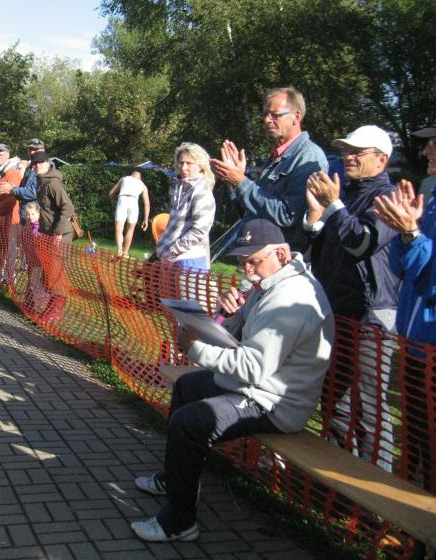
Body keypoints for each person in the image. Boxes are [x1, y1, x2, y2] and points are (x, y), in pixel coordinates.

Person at [131, 219, 334, 543]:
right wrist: (231, 314)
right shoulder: (271, 284)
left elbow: (253, 367)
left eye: (253, 261)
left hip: (277, 404)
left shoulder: (290, 299)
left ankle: (179, 523)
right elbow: (238, 341)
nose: (247, 270)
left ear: (281, 254)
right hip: (260, 388)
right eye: (242, 262)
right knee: (186, 387)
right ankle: (175, 481)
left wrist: (195, 349)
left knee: (188, 423)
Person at [304, 125, 398, 471]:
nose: (349, 157)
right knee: (335, 402)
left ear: (382, 160)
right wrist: (316, 219)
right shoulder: (346, 194)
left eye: (358, 151)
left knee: (368, 409)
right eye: (346, 150)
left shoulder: (388, 198)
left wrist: (333, 206)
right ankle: (337, 483)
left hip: (371, 317)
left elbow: (361, 243)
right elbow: (325, 252)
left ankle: (379, 488)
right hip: (337, 312)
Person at [374, 121, 436, 491]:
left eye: (433, 143)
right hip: (414, 342)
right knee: (414, 435)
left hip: (430, 344)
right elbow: (401, 268)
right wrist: (404, 232)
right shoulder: (432, 199)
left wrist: (412, 234)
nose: (426, 151)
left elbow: (430, 279)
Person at [213, 86, 328, 252]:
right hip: (258, 254)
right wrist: (233, 182)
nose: (267, 120)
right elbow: (251, 211)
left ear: (296, 116)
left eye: (275, 115)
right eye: (265, 114)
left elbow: (287, 216)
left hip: (282, 258)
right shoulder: (277, 156)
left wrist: (241, 183)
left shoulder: (308, 157)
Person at [155, 143, 216, 269]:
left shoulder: (201, 191)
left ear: (200, 166)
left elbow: (200, 230)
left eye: (189, 163)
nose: (183, 167)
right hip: (170, 260)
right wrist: (162, 252)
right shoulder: (181, 189)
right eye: (181, 163)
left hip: (189, 261)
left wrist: (173, 250)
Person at [33, 151, 75, 321]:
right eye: (34, 164)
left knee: (57, 272)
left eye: (40, 163)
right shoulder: (42, 181)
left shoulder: (52, 183)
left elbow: (68, 207)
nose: (36, 166)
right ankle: (51, 306)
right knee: (49, 271)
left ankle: (56, 310)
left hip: (60, 234)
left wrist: (58, 232)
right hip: (48, 232)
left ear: (47, 163)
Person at [0, 143, 22, 281]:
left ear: (8, 155)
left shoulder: (12, 173)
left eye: (1, 154)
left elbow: (10, 201)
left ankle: (9, 281)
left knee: (8, 252)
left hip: (9, 220)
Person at [0, 138, 43, 223]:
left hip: (37, 218)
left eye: (36, 149)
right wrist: (12, 190)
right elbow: (22, 191)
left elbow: (34, 192)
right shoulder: (29, 168)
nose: (32, 152)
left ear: (43, 150)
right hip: (25, 216)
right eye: (30, 149)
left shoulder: (45, 168)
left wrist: (13, 190)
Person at [109, 171, 150, 258]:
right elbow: (147, 204)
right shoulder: (143, 185)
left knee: (119, 229)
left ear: (131, 175)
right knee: (130, 229)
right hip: (134, 203)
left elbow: (111, 193)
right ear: (140, 178)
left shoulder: (124, 179)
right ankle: (125, 253)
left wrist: (113, 203)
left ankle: (119, 251)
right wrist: (146, 220)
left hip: (122, 200)